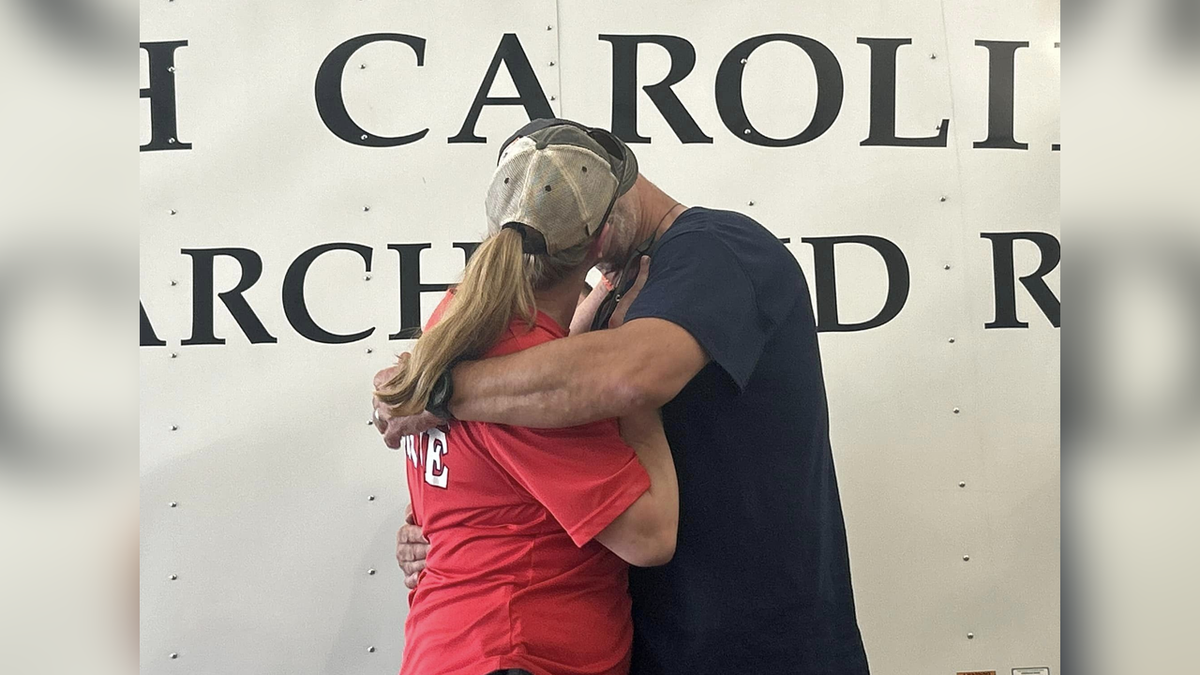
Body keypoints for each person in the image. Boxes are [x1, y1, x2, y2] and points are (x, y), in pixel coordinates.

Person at [376, 118, 871, 675]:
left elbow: (630, 375)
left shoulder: (718, 250)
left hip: (751, 637)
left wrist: (436, 387)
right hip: (637, 639)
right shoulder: (544, 328)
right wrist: (449, 537)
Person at [373, 124, 679, 675]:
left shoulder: (458, 320)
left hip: (459, 645)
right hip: (522, 652)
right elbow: (649, 536)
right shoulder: (534, 388)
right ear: (602, 238)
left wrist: (597, 314)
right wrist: (633, 388)